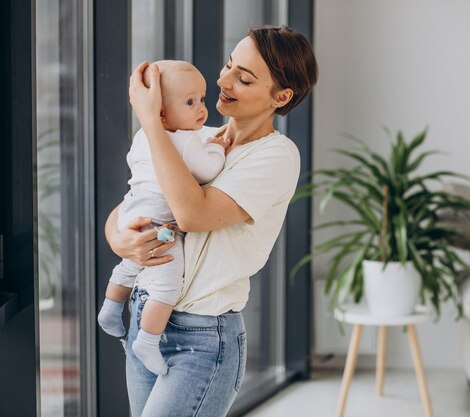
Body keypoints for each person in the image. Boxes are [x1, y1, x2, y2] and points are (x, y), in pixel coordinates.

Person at [105, 26, 318, 417]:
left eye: (244, 77)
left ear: (281, 96)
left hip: (203, 339)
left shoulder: (276, 155)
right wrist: (119, 240)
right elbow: (135, 200)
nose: (223, 80)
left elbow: (193, 214)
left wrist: (153, 123)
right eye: (228, 65)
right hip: (147, 314)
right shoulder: (195, 136)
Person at [98, 60, 230, 376]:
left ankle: (111, 309)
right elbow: (208, 170)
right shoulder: (186, 141)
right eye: (190, 102)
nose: (202, 109)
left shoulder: (144, 136)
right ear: (159, 112)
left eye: (201, 98)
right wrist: (218, 150)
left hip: (131, 211)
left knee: (130, 263)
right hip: (160, 224)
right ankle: (148, 339)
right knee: (168, 284)